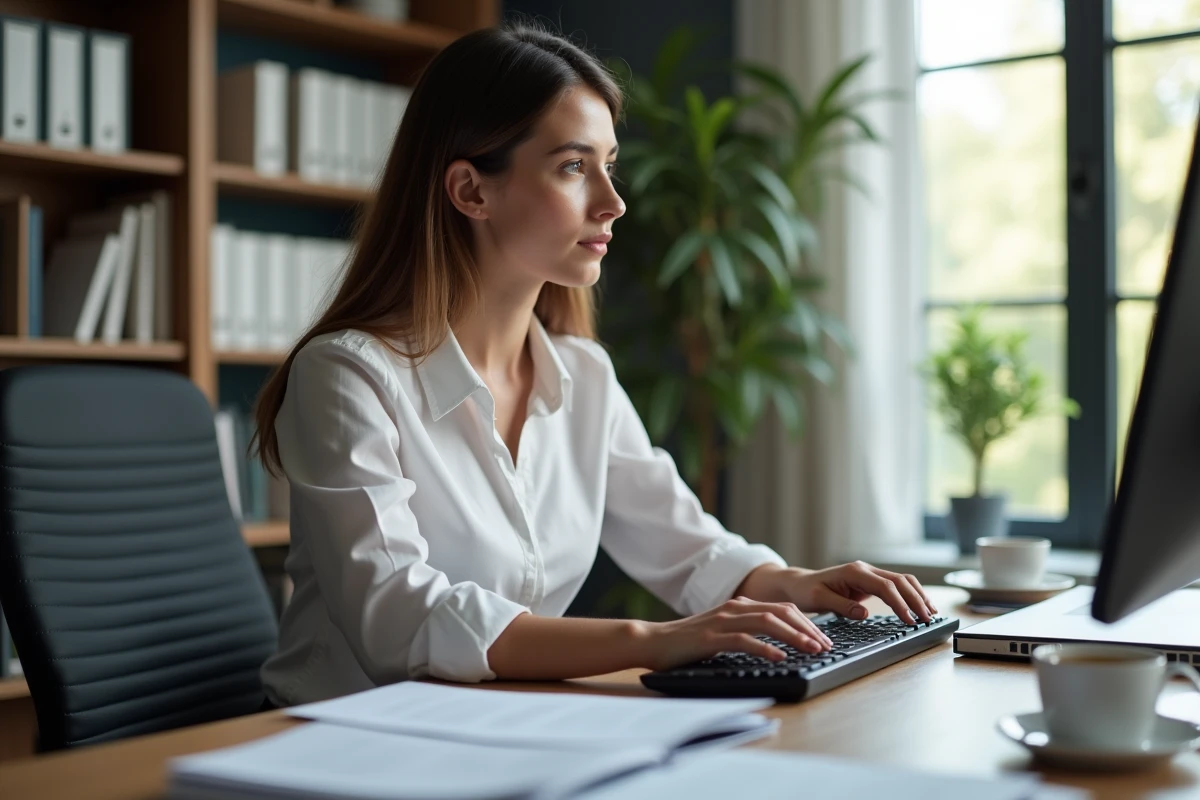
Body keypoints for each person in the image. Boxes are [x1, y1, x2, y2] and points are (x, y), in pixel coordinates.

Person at [252, 21, 936, 707]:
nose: (613, 203)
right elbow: (401, 621)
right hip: (335, 744)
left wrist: (796, 584)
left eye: (609, 165)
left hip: (492, 732)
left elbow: (687, 546)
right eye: (573, 167)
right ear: (470, 191)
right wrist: (657, 640)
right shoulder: (347, 378)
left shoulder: (583, 375)